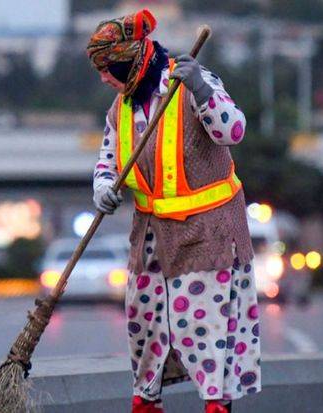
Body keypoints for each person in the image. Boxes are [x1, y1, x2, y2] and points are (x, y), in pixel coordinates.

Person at [86, 9, 261, 413]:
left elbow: (232, 130)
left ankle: (216, 404)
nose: (103, 78)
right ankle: (147, 402)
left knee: (205, 327)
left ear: (128, 63)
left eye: (107, 69)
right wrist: (102, 188)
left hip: (209, 232)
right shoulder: (121, 107)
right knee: (146, 328)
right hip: (151, 236)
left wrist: (200, 87)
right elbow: (108, 160)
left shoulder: (189, 83)